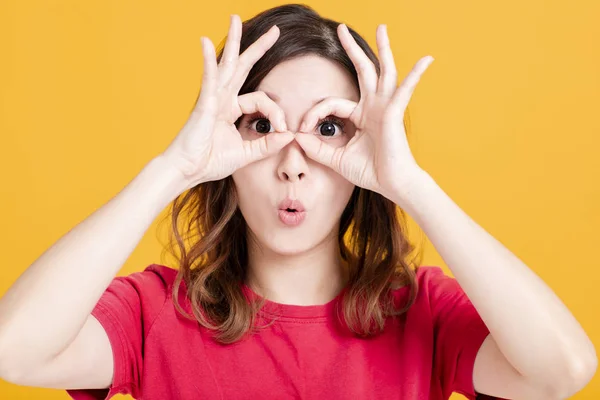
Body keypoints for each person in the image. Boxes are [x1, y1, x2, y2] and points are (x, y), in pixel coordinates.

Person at [0, 3, 596, 400]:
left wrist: (410, 183)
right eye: (261, 125)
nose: (292, 163)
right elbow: (14, 352)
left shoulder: (422, 314)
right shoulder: (155, 312)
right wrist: (172, 169)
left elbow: (563, 370)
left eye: (328, 131)